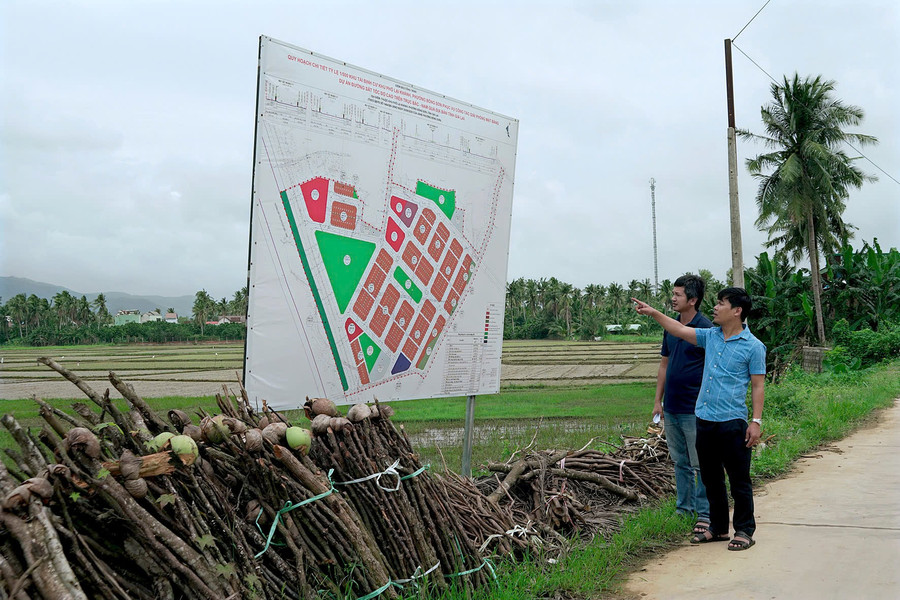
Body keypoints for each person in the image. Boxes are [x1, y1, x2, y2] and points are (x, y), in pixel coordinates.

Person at [634, 287, 765, 551]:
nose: (715, 308)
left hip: (732, 422)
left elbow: (758, 386)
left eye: (721, 304)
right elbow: (678, 330)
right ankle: (717, 528)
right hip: (704, 419)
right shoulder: (710, 336)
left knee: (739, 480)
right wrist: (653, 312)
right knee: (711, 478)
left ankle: (744, 530)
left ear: (737, 311)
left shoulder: (754, 347)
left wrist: (756, 421)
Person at [652, 275, 712, 536]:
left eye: (678, 295)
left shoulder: (706, 329)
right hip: (673, 406)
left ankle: (705, 513)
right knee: (680, 462)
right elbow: (664, 364)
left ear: (693, 299)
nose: (673, 299)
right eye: (673, 294)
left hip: (695, 408)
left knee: (701, 464)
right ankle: (683, 509)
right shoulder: (671, 326)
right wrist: (658, 400)